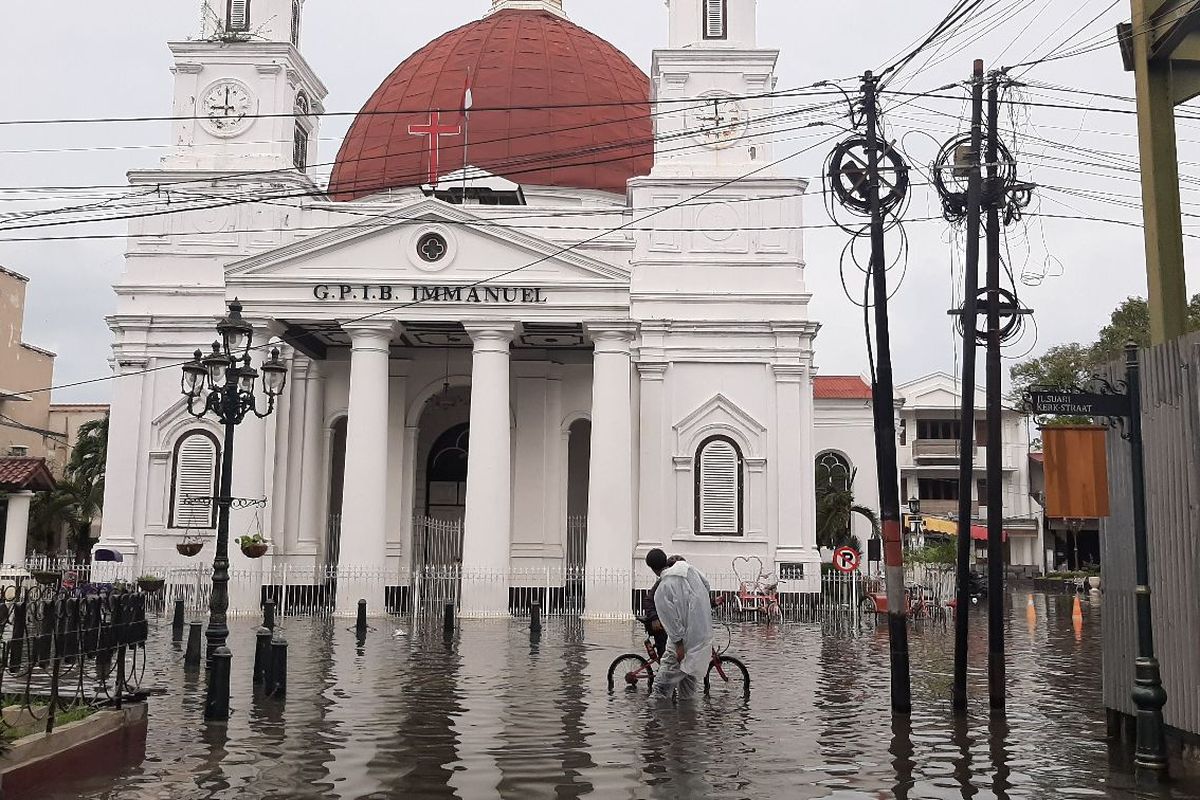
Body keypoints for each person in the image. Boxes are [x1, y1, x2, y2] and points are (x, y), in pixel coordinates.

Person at [644, 548, 714, 702]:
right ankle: (687, 723)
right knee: (688, 691)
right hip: (700, 638)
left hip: (682, 643)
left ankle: (657, 724)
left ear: (652, 568)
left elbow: (671, 622)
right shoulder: (690, 570)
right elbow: (706, 587)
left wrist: (679, 646)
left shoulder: (663, 589)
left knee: (659, 692)